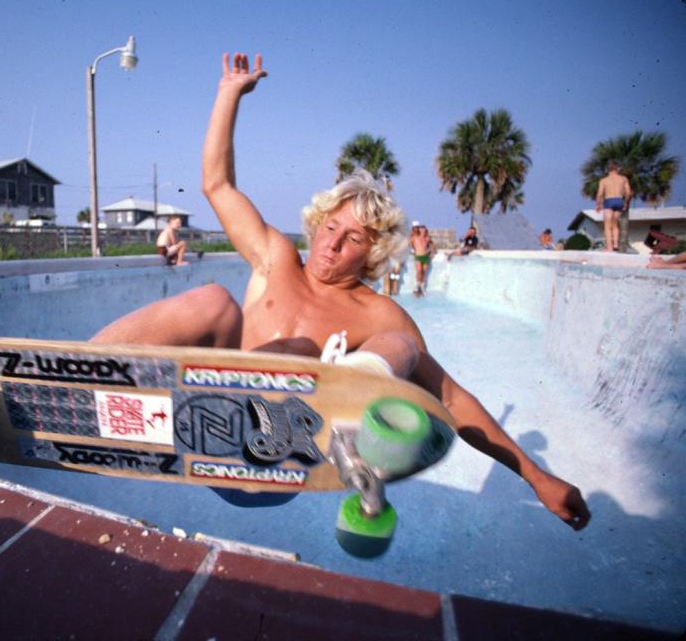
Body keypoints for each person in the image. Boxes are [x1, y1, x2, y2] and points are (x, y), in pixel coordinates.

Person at [91, 52, 590, 531]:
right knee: (213, 300)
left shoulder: (377, 314)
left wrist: (535, 475)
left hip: (279, 464)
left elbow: (454, 401)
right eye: (330, 227)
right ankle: (85, 369)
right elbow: (217, 185)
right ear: (315, 225)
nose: (333, 242)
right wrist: (229, 95)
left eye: (352, 238)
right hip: (213, 432)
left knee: (401, 346)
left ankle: (346, 410)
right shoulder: (274, 258)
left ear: (371, 255)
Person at [594, 161, 632, 252]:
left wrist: (598, 204)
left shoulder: (604, 180)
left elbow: (600, 194)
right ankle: (616, 244)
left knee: (607, 226)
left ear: (608, 170)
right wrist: (626, 203)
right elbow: (628, 193)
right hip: (619, 200)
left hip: (609, 201)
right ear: (618, 168)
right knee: (615, 224)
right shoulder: (623, 179)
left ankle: (609, 248)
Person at [408, 222, 435, 296]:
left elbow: (432, 246)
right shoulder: (414, 237)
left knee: (424, 272)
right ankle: (417, 285)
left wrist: (432, 253)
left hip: (426, 257)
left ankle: (422, 287)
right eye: (422, 230)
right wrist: (411, 251)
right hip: (418, 256)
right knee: (419, 271)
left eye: (424, 230)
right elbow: (409, 244)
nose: (423, 231)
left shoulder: (427, 238)